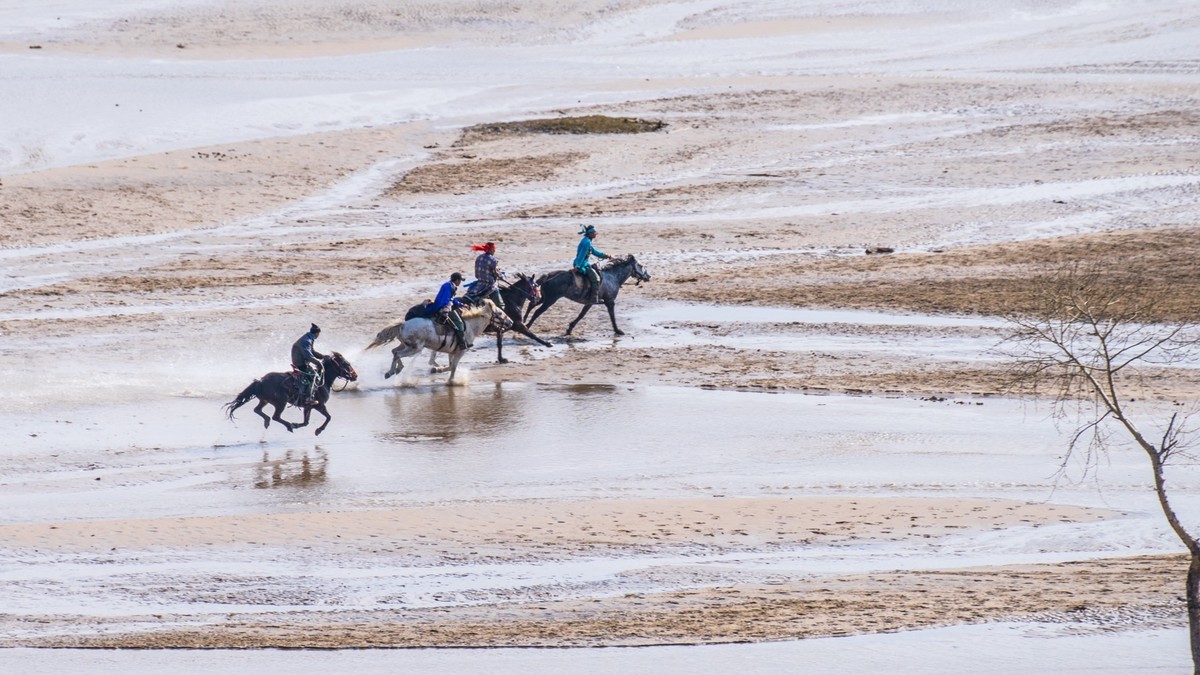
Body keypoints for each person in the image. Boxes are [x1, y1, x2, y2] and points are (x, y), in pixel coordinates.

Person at [428, 272, 467, 349]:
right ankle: (461, 344)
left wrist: (461, 305)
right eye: (460, 280)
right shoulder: (450, 287)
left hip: (442, 305)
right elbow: (446, 300)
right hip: (443, 307)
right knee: (459, 323)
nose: (460, 282)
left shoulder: (449, 285)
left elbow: (451, 299)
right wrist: (446, 311)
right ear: (457, 280)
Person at [290, 323, 325, 406]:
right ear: (317, 333)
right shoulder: (307, 341)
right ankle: (309, 398)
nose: (318, 335)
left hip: (302, 362)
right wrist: (319, 363)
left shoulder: (309, 338)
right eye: (318, 334)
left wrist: (323, 357)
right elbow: (308, 356)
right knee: (314, 376)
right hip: (300, 364)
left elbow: (312, 352)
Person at [574, 224, 609, 303]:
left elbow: (594, 251)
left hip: (583, 263)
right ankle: (594, 298)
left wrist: (605, 255)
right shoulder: (586, 242)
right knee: (596, 279)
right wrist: (577, 266)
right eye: (594, 233)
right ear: (589, 234)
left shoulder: (587, 241)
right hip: (582, 265)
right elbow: (582, 255)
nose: (595, 235)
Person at [471, 241, 506, 310]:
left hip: (478, 284)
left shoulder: (479, 257)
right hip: (490, 285)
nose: (494, 251)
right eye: (493, 249)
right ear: (490, 250)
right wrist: (503, 276)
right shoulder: (493, 260)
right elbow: (496, 273)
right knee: (501, 306)